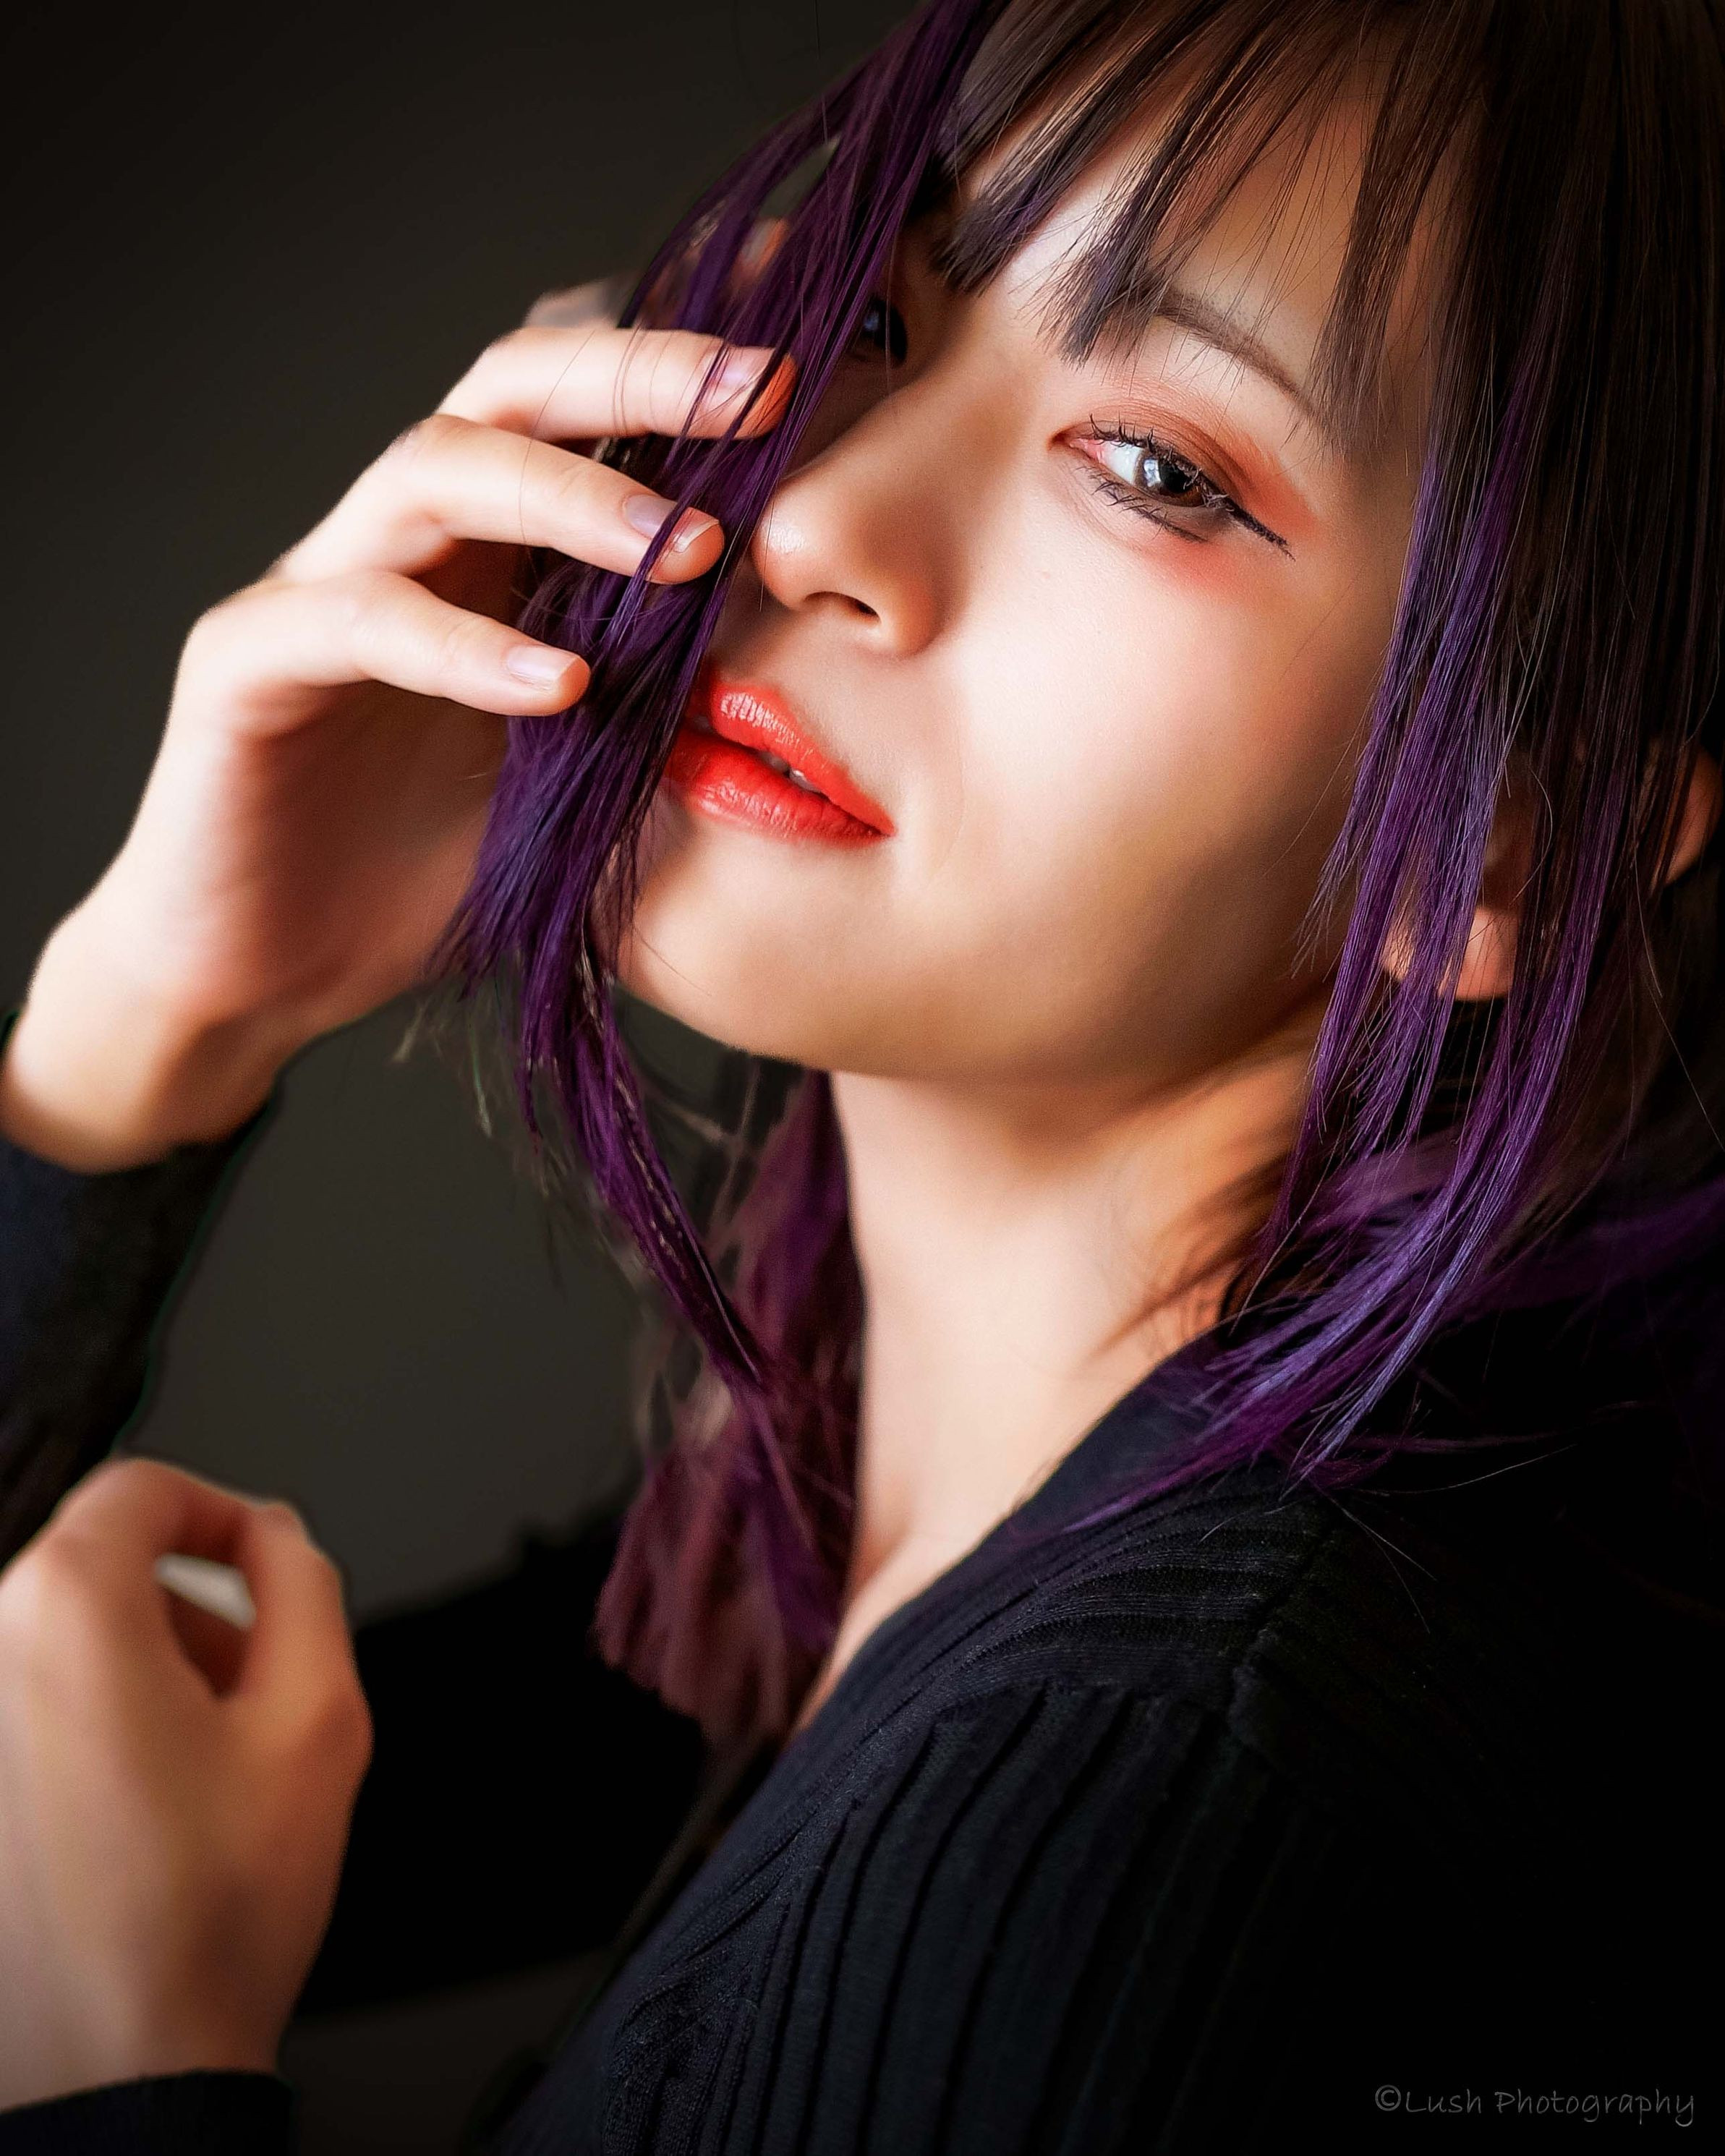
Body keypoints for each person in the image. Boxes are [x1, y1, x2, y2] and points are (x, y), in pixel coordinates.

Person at [1, 0, 1722, 2146]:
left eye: (1160, 471)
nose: (815, 511)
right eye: (885, 320)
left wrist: (123, 2079)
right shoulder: (824, 1561)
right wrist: (151, 1021)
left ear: (1506, 845)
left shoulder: (1158, 1808)